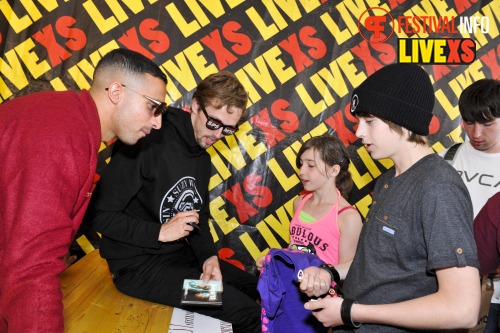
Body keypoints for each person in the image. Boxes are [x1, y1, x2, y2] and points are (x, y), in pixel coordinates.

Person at [299, 64, 481, 331]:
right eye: (359, 122)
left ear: (404, 122)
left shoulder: (438, 186)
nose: (359, 132)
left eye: (370, 121)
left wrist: (351, 312)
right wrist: (330, 272)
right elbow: (378, 264)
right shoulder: (388, 179)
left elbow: (462, 309)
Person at [0, 48, 167, 332]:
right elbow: (31, 269)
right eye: (154, 106)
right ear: (117, 92)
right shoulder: (61, 134)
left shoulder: (70, 122)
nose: (157, 121)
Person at [84, 71, 261, 333]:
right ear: (196, 106)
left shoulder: (202, 159)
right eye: (214, 123)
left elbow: (197, 216)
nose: (219, 135)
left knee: (251, 287)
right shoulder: (148, 140)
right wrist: (159, 232)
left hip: (179, 259)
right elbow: (98, 215)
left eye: (228, 128)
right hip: (138, 272)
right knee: (246, 312)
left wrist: (209, 257)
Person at [440, 78, 500, 333]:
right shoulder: (446, 158)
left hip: (494, 298)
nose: (476, 133)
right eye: (468, 122)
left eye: (487, 124)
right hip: (445, 291)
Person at [256, 134, 362, 268]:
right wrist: (275, 260)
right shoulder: (299, 202)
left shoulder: (348, 217)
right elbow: (297, 249)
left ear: (334, 170)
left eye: (311, 165)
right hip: (291, 286)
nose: (301, 171)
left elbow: (347, 269)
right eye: (301, 164)